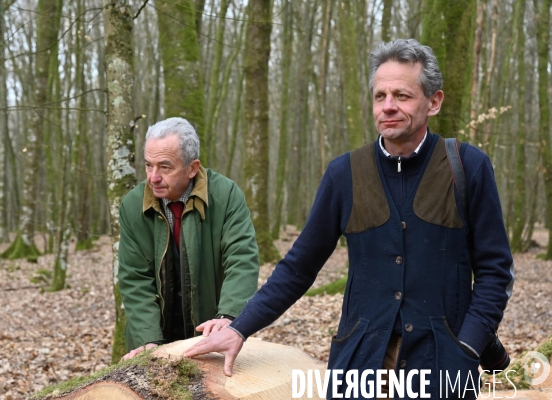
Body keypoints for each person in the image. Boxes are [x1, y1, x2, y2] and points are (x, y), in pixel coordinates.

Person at [184, 39, 514, 399]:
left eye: (402, 96)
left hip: (443, 365)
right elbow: (299, 267)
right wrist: (240, 328)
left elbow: (495, 271)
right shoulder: (344, 174)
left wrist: (467, 347)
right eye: (379, 96)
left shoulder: (467, 167)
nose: (388, 106)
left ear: (433, 102)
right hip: (360, 363)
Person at [118, 117, 260, 360]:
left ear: (192, 168)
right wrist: (148, 341)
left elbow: (241, 260)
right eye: (148, 165)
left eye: (165, 167)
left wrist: (228, 316)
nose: (153, 177)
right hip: (153, 336)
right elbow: (134, 280)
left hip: (210, 333)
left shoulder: (225, 196)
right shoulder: (132, 205)